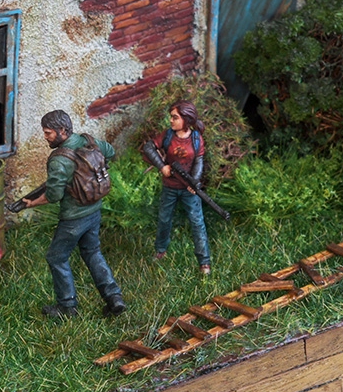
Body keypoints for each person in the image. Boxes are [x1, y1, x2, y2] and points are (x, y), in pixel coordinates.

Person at [19, 110, 125, 319]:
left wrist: (31, 203)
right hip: (94, 211)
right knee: (92, 252)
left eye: (48, 133)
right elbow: (110, 151)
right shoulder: (90, 142)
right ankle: (114, 297)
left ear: (62, 130)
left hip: (73, 219)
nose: (45, 137)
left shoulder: (59, 160)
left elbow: (54, 195)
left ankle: (67, 306)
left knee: (56, 257)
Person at [145, 100, 211, 275]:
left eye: (175, 117)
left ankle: (204, 261)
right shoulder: (167, 135)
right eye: (171, 117)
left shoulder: (196, 139)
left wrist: (194, 183)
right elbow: (149, 147)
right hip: (170, 187)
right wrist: (162, 167)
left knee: (197, 223)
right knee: (164, 219)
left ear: (186, 119)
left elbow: (198, 162)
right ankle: (161, 251)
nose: (171, 120)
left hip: (189, 189)